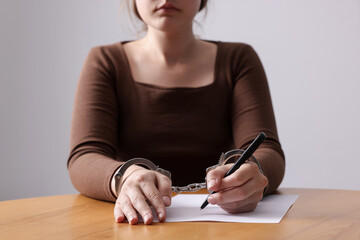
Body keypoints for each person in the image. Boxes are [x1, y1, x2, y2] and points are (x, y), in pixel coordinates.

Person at [67, 0, 285, 225]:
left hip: (222, 228)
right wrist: (125, 177)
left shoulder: (238, 60)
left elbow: (267, 149)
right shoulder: (105, 61)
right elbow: (85, 156)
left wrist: (251, 174)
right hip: (136, 226)